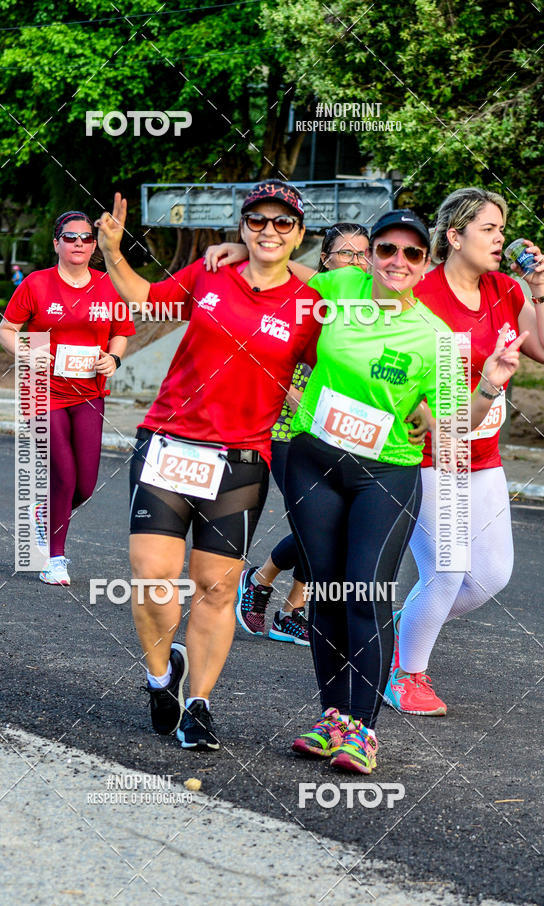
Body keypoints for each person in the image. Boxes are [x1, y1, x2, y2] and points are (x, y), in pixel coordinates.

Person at [279, 208, 525, 774]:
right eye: (387, 249)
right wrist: (235, 252)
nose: (398, 261)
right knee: (326, 592)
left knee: (364, 591)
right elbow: (273, 279)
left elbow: (457, 423)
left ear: (424, 262)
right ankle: (331, 718)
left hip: (385, 473)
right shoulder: (338, 288)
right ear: (369, 255)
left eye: (412, 254)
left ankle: (362, 729)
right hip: (314, 462)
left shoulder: (435, 335)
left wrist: (490, 384)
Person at [95, 180, 323, 750]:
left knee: (215, 589)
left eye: (283, 222)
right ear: (242, 226)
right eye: (257, 221)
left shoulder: (311, 303)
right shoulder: (210, 273)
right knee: (152, 576)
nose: (269, 230)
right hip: (169, 442)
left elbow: (340, 364)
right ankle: (160, 678)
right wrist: (112, 251)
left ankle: (198, 704)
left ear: (299, 233)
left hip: (240, 460)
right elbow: (147, 299)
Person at [205, 221, 425, 646]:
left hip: (354, 438)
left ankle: (283, 603)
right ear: (325, 260)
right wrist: (295, 398)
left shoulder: (371, 305)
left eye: (363, 254)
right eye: (347, 254)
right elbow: (267, 351)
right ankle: (267, 584)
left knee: (337, 530)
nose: (356, 262)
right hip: (293, 433)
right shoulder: (304, 299)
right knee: (319, 528)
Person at [384, 187, 544, 716]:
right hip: (430, 454)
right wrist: (423, 420)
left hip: (484, 454)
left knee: (490, 576)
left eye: (502, 230)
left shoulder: (506, 289)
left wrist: (539, 289)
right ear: (454, 236)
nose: (500, 239)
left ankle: (397, 633)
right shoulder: (421, 293)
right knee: (448, 571)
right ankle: (406, 675)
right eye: (488, 229)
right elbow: (387, 366)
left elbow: (541, 350)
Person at [0, 211, 134, 585]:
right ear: (56, 242)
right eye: (70, 237)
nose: (79, 243)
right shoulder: (37, 283)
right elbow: (6, 330)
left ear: (94, 245)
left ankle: (44, 513)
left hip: (89, 392)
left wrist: (113, 358)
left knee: (85, 485)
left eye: (86, 238)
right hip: (42, 389)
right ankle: (54, 559)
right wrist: (26, 352)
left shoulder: (108, 284)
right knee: (64, 473)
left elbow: (121, 332)